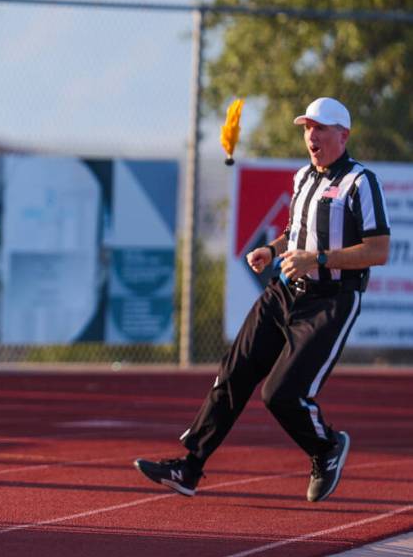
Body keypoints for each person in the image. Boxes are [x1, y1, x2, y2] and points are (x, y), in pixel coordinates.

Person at [135, 97, 390, 503]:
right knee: (234, 371)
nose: (312, 136)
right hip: (284, 290)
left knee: (282, 394)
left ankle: (325, 448)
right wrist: (271, 251)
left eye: (320, 128)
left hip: (331, 300)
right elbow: (295, 234)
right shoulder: (304, 178)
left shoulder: (361, 182)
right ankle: (190, 465)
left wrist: (319, 259)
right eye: (307, 128)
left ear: (343, 135)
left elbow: (378, 250)